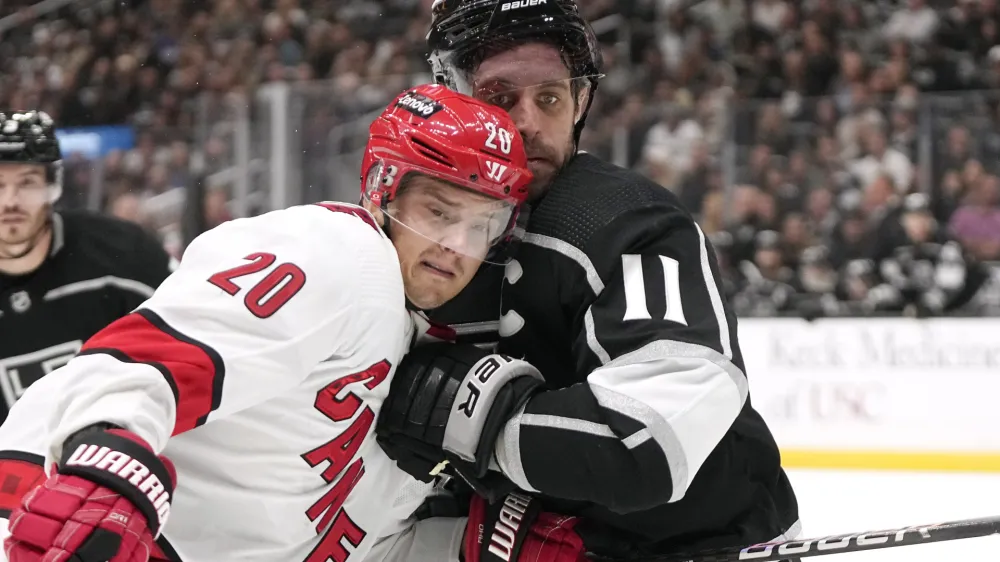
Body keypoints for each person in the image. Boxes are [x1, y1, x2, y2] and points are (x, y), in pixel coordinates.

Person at [0, 85, 533, 562]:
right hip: (63, 510)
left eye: (482, 226)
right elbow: (164, 351)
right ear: (382, 188)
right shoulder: (342, 252)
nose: (458, 247)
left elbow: (362, 544)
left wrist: (474, 545)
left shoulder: (417, 365)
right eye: (439, 212)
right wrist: (108, 450)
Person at [374, 2, 801, 561]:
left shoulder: (629, 222)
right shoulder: (413, 222)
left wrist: (480, 425)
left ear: (579, 102)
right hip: (534, 537)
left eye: (549, 98)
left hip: (699, 543)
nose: (527, 122)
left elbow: (649, 443)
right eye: (501, 97)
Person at [0, 110, 175, 424]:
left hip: (131, 456)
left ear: (52, 186)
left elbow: (196, 341)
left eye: (27, 183)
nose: (11, 201)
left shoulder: (122, 254)